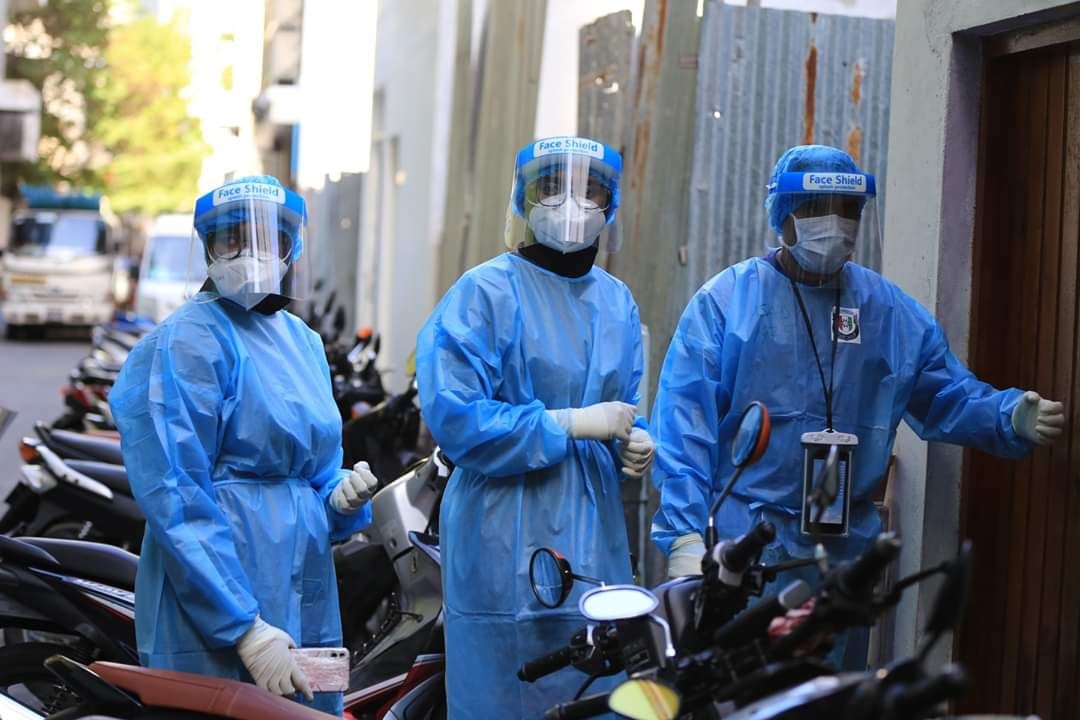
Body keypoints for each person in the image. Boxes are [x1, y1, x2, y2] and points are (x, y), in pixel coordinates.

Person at [650, 145, 1065, 668]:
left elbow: (945, 394)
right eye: (817, 208)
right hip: (744, 550)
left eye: (848, 209)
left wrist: (1007, 416)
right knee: (737, 690)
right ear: (783, 216)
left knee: (830, 694)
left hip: (840, 558)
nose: (835, 223)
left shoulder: (887, 312)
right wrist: (686, 537)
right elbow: (686, 427)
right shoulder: (727, 303)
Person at [109, 175, 378, 716]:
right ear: (207, 248)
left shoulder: (301, 340)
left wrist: (339, 499)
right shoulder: (188, 339)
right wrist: (245, 628)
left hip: (304, 585)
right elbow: (177, 496)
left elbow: (314, 470)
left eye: (268, 238)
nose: (250, 252)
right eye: (232, 238)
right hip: (213, 604)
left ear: (290, 247)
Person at [416, 136, 655, 718]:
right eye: (553, 186)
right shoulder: (483, 293)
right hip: (499, 535)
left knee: (591, 686)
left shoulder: (618, 303)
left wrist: (637, 441)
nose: (573, 203)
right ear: (524, 199)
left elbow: (624, 404)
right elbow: (457, 419)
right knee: (503, 691)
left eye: (590, 189)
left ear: (611, 205)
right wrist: (568, 423)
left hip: (593, 532)